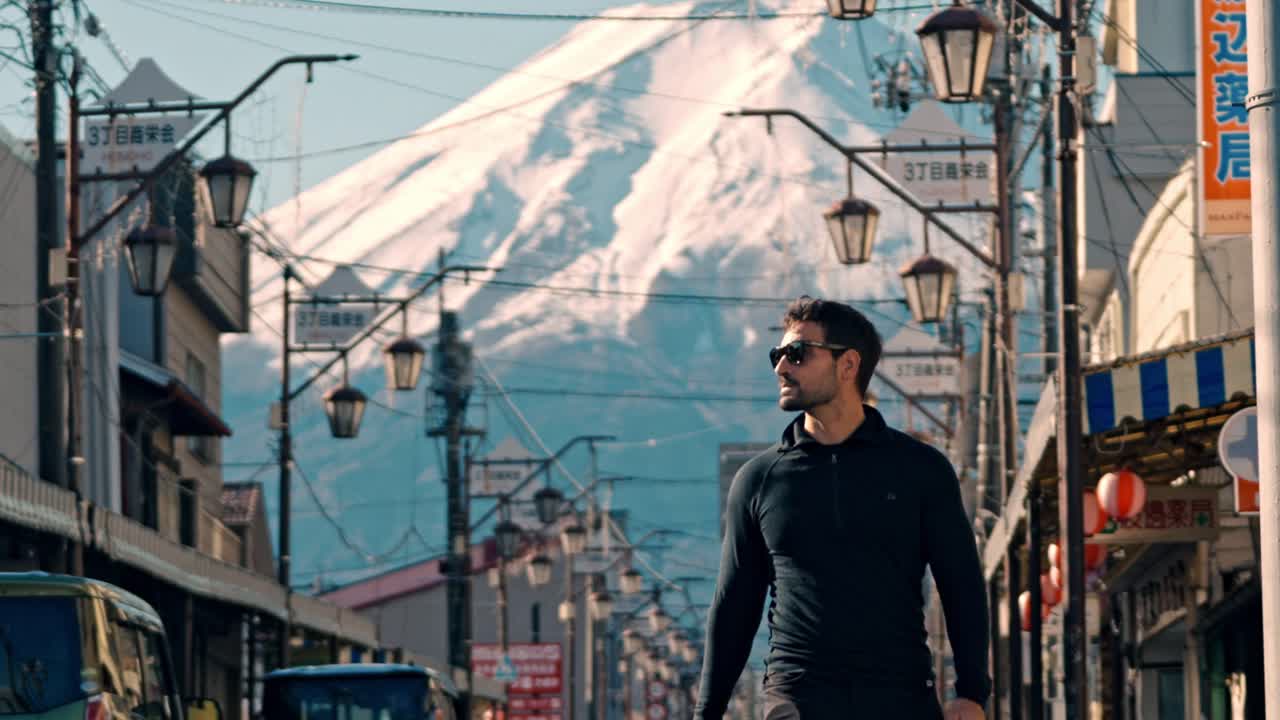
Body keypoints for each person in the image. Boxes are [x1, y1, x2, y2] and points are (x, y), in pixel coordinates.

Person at [694, 296, 990, 720]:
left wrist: (972, 691)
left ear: (848, 365)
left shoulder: (919, 469)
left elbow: (961, 582)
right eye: (777, 355)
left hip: (900, 696)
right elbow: (734, 606)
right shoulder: (759, 480)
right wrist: (707, 712)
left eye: (796, 354)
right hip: (796, 698)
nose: (781, 367)